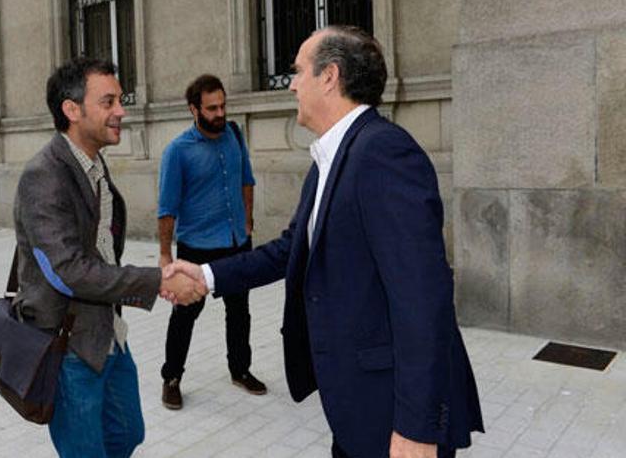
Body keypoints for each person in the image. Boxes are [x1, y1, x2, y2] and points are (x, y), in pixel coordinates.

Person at [165, 26, 484, 458]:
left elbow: (423, 299)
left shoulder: (384, 154)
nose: (293, 83)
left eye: (299, 71)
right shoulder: (335, 155)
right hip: (355, 404)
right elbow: (291, 247)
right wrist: (206, 273)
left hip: (393, 414)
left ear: (329, 76)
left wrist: (417, 426)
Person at [12, 57, 200, 458]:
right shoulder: (44, 175)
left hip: (110, 332)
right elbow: (68, 272)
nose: (121, 111)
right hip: (69, 347)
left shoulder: (93, 164)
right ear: (71, 109)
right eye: (109, 101)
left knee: (127, 433)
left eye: (120, 100)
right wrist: (158, 280)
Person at [157, 74, 266, 410]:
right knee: (185, 315)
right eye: (212, 108)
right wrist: (165, 255)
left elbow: (246, 180)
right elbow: (167, 208)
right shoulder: (178, 151)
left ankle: (240, 369)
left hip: (235, 240)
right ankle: (172, 378)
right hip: (197, 248)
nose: (220, 113)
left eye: (223, 105)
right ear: (194, 109)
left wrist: (247, 222)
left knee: (240, 310)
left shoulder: (234, 134)